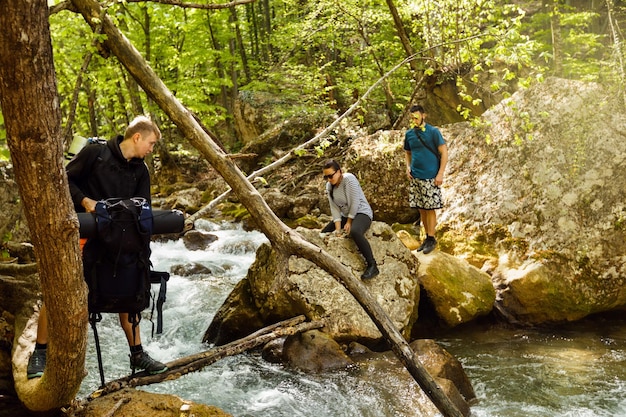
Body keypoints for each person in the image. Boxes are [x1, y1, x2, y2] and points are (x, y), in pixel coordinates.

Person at [27, 115, 167, 379]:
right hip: (87, 235)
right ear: (137, 137)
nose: (151, 149)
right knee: (59, 289)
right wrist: (85, 201)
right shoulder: (95, 154)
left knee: (130, 291)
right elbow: (63, 181)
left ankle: (137, 354)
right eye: (150, 143)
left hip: (122, 239)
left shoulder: (141, 170)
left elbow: (144, 206)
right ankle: (40, 352)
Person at [321, 159, 379, 280]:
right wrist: (337, 230)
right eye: (326, 177)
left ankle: (372, 265)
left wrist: (349, 221)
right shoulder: (329, 186)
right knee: (324, 233)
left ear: (339, 172)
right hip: (345, 215)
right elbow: (335, 208)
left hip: (361, 212)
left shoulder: (349, 179)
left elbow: (355, 202)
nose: (329, 179)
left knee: (355, 231)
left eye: (331, 176)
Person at [404, 105, 448, 254]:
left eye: (416, 116)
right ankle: (425, 238)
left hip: (430, 176)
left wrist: (440, 173)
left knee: (430, 208)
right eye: (412, 117)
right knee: (421, 208)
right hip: (415, 177)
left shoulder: (433, 132)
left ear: (424, 115)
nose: (414, 120)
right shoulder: (409, 134)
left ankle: (431, 238)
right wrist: (408, 167)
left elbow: (444, 153)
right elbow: (408, 153)